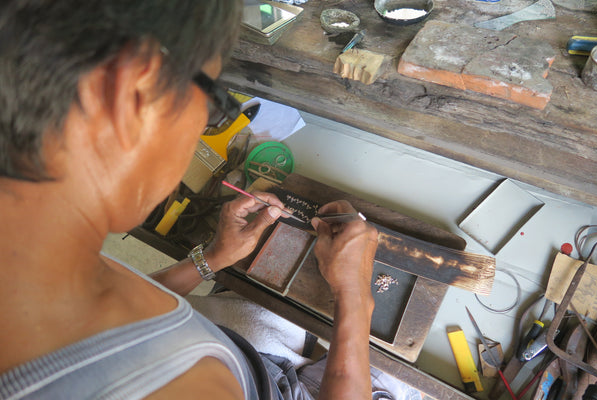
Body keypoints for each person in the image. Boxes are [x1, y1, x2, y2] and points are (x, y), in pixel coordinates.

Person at [0, 1, 380, 399]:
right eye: (213, 104)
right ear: (135, 95)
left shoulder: (40, 249)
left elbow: (119, 318)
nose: (205, 126)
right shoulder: (183, 388)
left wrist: (210, 259)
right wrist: (354, 296)